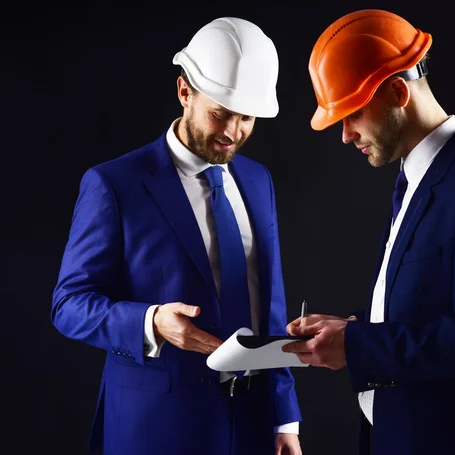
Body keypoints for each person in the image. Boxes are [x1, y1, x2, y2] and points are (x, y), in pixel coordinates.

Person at [283, 8, 455, 455]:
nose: (345, 135)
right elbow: (432, 314)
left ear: (397, 91)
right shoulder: (416, 180)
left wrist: (360, 345)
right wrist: (354, 332)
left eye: (351, 113)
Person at [51, 17, 302, 455]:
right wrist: (151, 323)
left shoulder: (258, 180)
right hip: (155, 429)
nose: (232, 132)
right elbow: (68, 304)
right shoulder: (115, 184)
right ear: (184, 92)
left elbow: (270, 306)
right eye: (220, 114)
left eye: (246, 118)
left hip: (252, 425)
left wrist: (285, 417)